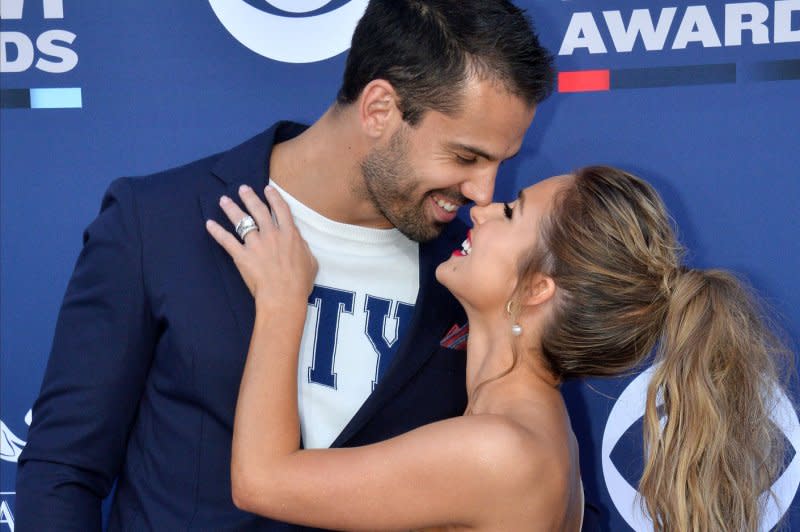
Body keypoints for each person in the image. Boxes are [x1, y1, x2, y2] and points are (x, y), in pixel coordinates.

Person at [15, 0, 554, 529]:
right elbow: (63, 473)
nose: (483, 192)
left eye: (499, 163)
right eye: (465, 157)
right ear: (379, 109)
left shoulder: (475, 273)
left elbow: (539, 475)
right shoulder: (157, 223)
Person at [205, 166, 790, 531]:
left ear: (537, 289)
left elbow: (261, 482)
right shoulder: (525, 431)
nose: (480, 210)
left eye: (510, 212)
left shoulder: (500, 450)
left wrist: (283, 299)